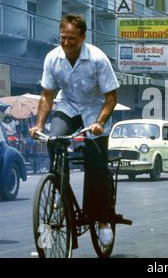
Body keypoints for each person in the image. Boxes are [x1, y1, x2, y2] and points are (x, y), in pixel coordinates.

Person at [29, 14, 120, 247]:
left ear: (83, 38)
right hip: (67, 105)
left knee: (96, 165)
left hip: (94, 110)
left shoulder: (98, 59)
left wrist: (100, 121)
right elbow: (47, 95)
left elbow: (111, 98)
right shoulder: (53, 58)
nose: (66, 43)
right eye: (63, 38)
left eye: (72, 38)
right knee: (54, 139)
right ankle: (59, 191)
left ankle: (101, 220)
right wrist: (39, 124)